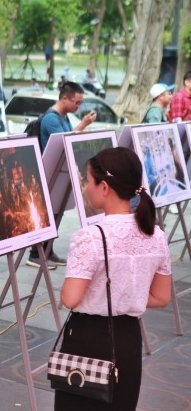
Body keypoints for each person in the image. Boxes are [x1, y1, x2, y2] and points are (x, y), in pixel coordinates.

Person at [57, 147, 171, 411]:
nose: (86, 188)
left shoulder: (90, 237)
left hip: (88, 338)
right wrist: (126, 296)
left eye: (88, 181)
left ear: (105, 187)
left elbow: (70, 298)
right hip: (128, 338)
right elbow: (161, 297)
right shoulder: (156, 236)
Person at [28, 82, 96, 269]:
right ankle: (35, 254)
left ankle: (47, 251)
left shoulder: (63, 117)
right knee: (47, 215)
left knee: (56, 214)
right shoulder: (52, 119)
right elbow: (66, 141)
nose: (78, 106)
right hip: (48, 174)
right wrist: (83, 124)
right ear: (65, 98)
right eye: (77, 102)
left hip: (58, 173)